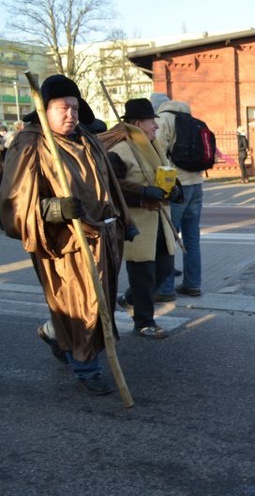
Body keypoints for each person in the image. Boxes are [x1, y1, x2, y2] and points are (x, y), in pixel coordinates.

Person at [0, 75, 137, 395]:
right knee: (83, 305)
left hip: (104, 238)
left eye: (75, 108)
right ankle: (86, 369)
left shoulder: (87, 139)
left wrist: (125, 222)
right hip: (63, 243)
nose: (71, 114)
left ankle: (58, 337)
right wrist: (55, 210)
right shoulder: (31, 143)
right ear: (44, 109)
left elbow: (109, 187)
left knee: (98, 302)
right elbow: (13, 205)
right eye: (63, 108)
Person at [106, 98, 182, 338]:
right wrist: (141, 192)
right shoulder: (120, 150)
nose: (156, 127)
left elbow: (165, 173)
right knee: (143, 274)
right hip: (137, 224)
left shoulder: (154, 146)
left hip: (160, 221)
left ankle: (130, 300)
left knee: (165, 268)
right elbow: (110, 185)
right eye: (152, 122)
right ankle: (144, 322)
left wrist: (176, 189)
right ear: (138, 123)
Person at [151, 94, 204, 299]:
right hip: (197, 185)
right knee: (192, 239)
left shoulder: (162, 120)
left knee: (167, 238)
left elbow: (159, 155)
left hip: (176, 187)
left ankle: (165, 289)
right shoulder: (192, 119)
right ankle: (193, 284)